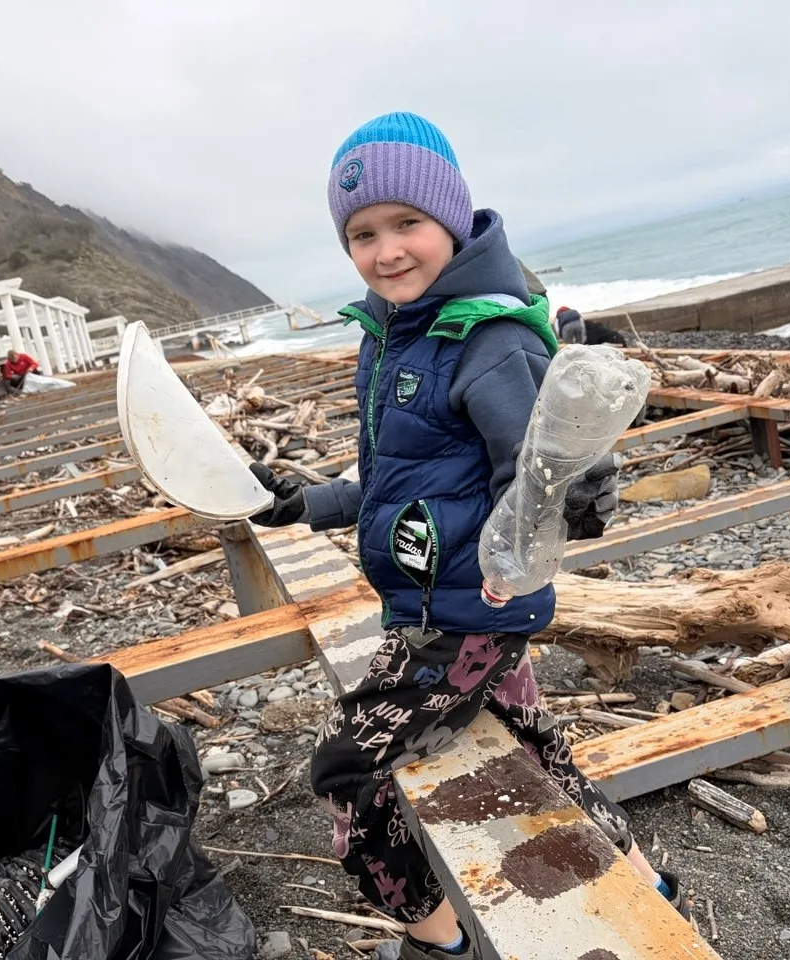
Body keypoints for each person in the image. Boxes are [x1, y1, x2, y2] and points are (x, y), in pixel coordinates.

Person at [247, 113, 686, 960]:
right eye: (361, 234)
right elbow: (387, 483)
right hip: (427, 609)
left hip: (466, 620)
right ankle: (658, 894)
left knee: (351, 773)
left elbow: (542, 489)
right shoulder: (392, 332)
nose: (386, 251)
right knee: (542, 764)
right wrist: (301, 506)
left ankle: (438, 940)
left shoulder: (488, 339)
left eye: (406, 223)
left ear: (451, 214)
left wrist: (572, 504)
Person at [555, 304, 628, 347]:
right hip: (578, 323)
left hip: (566, 327)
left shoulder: (558, 317)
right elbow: (581, 322)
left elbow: (558, 330)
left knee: (568, 346)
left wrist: (564, 337)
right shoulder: (574, 312)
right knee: (580, 345)